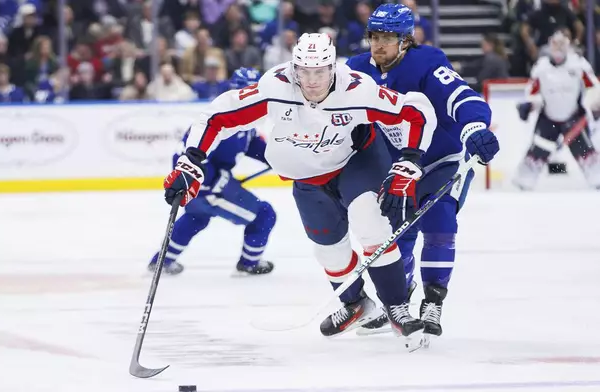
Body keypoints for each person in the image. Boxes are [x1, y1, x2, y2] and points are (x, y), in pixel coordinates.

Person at [162, 33, 438, 348]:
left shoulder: (357, 89)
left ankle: (396, 306)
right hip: (308, 174)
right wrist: (191, 162)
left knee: (369, 224)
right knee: (327, 248)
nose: (312, 80)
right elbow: (217, 116)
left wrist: (410, 162)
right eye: (304, 71)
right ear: (294, 67)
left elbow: (415, 111)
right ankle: (356, 304)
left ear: (332, 67)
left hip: (356, 161)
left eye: (319, 71)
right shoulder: (275, 87)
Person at [345, 4, 499, 343]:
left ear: (405, 41)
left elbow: (461, 97)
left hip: (442, 158)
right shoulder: (356, 69)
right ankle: (397, 303)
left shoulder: (427, 62)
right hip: (399, 164)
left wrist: (474, 126)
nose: (378, 45)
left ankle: (433, 302)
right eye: (374, 36)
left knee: (440, 223)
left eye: (387, 38)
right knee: (398, 232)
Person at [148, 67, 276, 276]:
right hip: (205, 188)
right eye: (247, 91)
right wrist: (211, 183)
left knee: (197, 218)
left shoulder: (247, 122)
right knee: (264, 214)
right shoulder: (220, 121)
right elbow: (185, 155)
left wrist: (279, 158)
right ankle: (249, 263)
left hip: (208, 188)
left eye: (257, 92)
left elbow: (256, 147)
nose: (252, 98)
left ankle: (161, 261)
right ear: (235, 92)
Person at [515, 31, 600, 190]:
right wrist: (529, 105)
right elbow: (532, 93)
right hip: (549, 119)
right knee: (534, 158)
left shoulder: (578, 64)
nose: (559, 48)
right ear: (550, 46)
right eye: (556, 44)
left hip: (573, 119)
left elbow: (593, 87)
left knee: (589, 157)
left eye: (563, 44)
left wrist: (595, 103)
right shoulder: (541, 67)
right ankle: (524, 180)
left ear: (568, 45)